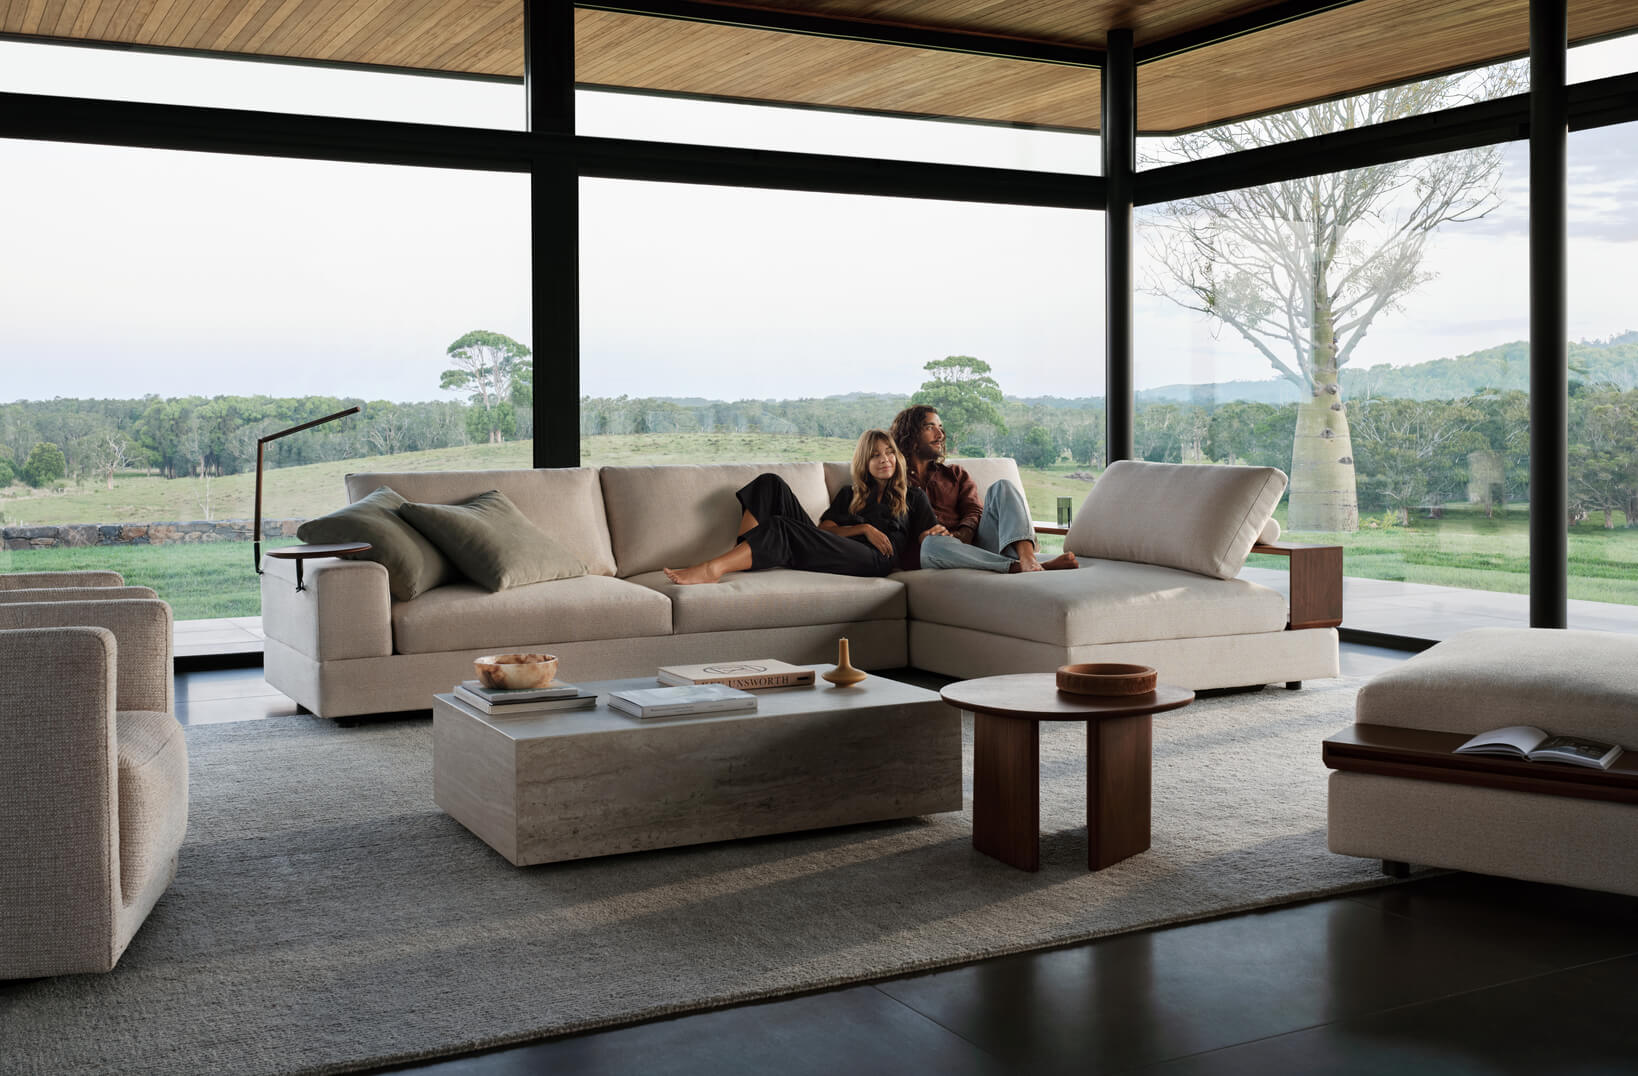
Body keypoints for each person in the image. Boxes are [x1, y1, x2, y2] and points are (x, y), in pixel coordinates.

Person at [664, 429, 945, 585]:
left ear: (897, 457)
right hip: (839, 547)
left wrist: (941, 535)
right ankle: (744, 555)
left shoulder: (914, 497)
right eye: (875, 456)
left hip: (874, 561)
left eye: (889, 453)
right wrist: (864, 528)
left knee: (781, 527)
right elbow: (826, 530)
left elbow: (925, 536)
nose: (885, 460)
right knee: (769, 483)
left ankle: (714, 569)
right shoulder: (851, 493)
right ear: (864, 463)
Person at [889, 404, 1077, 574]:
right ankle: (1018, 567)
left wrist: (963, 533)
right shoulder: (894, 482)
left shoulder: (955, 474)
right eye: (930, 427)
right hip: (938, 552)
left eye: (941, 428)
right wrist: (926, 537)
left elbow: (974, 509)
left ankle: (1028, 559)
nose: (940, 435)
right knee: (932, 544)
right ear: (911, 434)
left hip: (976, 544)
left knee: (1002, 487)